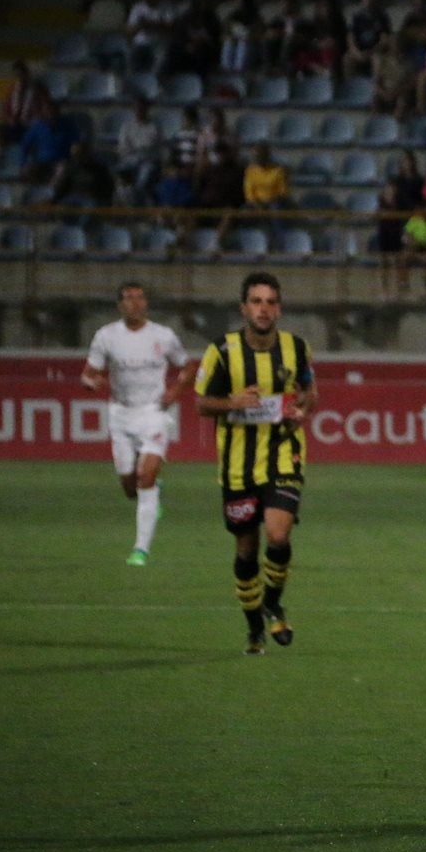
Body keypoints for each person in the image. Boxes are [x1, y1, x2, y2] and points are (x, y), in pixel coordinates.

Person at [193, 271, 317, 655]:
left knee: (279, 534)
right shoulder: (222, 351)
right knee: (246, 550)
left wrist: (300, 409)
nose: (264, 309)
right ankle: (253, 629)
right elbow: (200, 403)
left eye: (270, 302)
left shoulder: (297, 348)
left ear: (278, 309)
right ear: (244, 307)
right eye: (257, 301)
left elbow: (309, 392)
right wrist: (232, 402)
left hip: (283, 453)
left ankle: (274, 603)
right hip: (237, 467)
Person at [80, 282, 193, 566]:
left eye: (140, 298)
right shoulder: (106, 336)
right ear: (120, 305)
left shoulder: (162, 335)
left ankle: (140, 550)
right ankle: (154, 491)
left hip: (153, 413)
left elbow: (188, 366)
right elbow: (88, 374)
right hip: (121, 414)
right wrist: (93, 382)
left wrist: (174, 392)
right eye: (129, 299)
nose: (135, 303)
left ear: (146, 303)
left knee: (146, 478)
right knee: (131, 487)